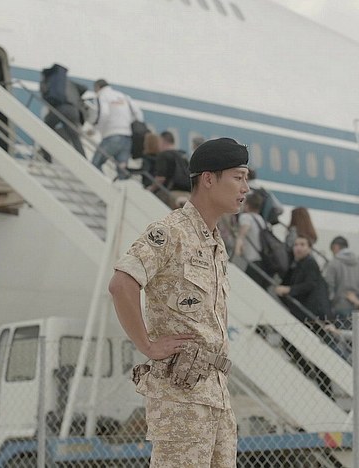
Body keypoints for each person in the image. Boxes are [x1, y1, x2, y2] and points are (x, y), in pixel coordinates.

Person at [108, 137, 249, 467]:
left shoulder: (215, 244)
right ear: (209, 179)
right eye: (238, 177)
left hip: (215, 392)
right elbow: (121, 285)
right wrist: (147, 345)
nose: (246, 187)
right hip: (181, 397)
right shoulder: (171, 232)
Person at [273, 234, 333, 396]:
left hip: (312, 315)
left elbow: (310, 284)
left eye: (302, 244)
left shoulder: (310, 263)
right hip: (305, 315)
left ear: (309, 248)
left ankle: (325, 391)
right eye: (296, 245)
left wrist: (289, 290)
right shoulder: (297, 265)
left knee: (313, 354)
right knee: (290, 344)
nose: (298, 248)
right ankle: (311, 375)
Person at [90, 79, 143, 180]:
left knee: (95, 164)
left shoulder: (102, 96)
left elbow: (103, 114)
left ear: (97, 87)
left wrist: (96, 129)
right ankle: (121, 188)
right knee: (122, 171)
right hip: (127, 138)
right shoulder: (124, 96)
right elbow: (138, 114)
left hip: (112, 136)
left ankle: (104, 186)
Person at [40, 64, 87, 158]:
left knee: (45, 129)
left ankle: (46, 157)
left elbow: (46, 97)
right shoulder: (69, 82)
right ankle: (83, 159)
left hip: (61, 109)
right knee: (74, 136)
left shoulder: (50, 82)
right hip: (74, 111)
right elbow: (84, 88)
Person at [323, 236, 359, 328]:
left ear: (335, 247)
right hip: (358, 304)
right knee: (356, 334)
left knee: (341, 333)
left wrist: (330, 301)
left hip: (340, 305)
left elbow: (329, 284)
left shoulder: (334, 262)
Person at [233, 191, 269, 288]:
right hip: (261, 260)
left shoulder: (246, 217)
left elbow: (241, 236)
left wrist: (236, 253)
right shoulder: (260, 219)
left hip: (251, 260)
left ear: (247, 205)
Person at [149, 131, 191, 209]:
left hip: (170, 193)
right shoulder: (182, 155)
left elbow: (160, 178)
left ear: (163, 141)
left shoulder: (163, 155)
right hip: (187, 194)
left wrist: (151, 189)